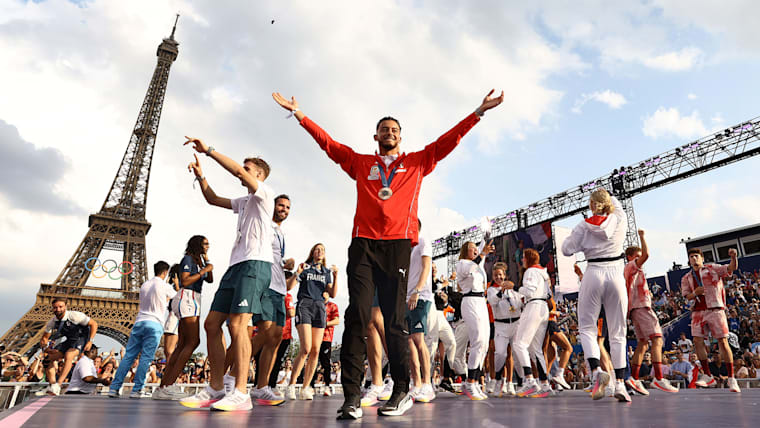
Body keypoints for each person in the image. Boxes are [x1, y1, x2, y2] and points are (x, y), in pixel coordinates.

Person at [272, 88, 504, 420]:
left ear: (400, 136)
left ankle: (400, 390)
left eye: (394, 130)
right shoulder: (362, 163)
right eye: (384, 129)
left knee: (396, 322)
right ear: (376, 136)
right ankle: (351, 396)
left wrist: (478, 112)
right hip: (363, 244)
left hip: (397, 246)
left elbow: (448, 141)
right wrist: (299, 115)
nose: (389, 133)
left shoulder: (417, 162)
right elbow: (330, 145)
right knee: (357, 317)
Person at [180, 138, 276, 411]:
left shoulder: (264, 194)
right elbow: (212, 199)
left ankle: (242, 393)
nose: (242, 171)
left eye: (247, 168)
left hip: (255, 265)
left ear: (257, 174)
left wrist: (208, 151)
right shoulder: (244, 201)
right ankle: (217, 386)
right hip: (235, 267)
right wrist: (201, 177)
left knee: (237, 326)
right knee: (212, 324)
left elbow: (236, 171)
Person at [561, 189, 630, 402]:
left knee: (587, 328)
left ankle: (595, 371)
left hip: (593, 273)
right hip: (616, 275)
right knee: (618, 332)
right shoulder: (619, 217)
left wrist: (582, 238)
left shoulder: (583, 226)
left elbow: (565, 250)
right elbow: (615, 204)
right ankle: (620, 384)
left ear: (591, 204)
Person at [154, 236, 213, 400]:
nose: (208, 246)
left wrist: (206, 263)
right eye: (205, 243)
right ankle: (169, 384)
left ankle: (164, 386)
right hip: (188, 297)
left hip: (192, 298)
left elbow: (210, 279)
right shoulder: (187, 259)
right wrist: (203, 271)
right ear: (197, 245)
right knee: (193, 341)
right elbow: (185, 280)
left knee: (182, 346)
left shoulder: (198, 260)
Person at [250, 194, 295, 406]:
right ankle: (232, 376)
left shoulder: (281, 233)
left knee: (275, 338)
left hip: (280, 289)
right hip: (266, 286)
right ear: (273, 206)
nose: (283, 209)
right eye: (280, 205)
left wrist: (286, 264)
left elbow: (275, 257)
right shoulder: (265, 226)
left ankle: (262, 386)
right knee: (264, 332)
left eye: (287, 207)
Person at [110, 261, 176, 398]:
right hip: (154, 324)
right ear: (165, 272)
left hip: (139, 322)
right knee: (146, 358)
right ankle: (137, 390)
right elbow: (177, 298)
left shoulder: (144, 285)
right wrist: (175, 283)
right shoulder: (165, 286)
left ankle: (114, 388)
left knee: (128, 356)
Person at [624, 230, 678, 394]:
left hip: (635, 309)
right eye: (637, 256)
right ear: (631, 257)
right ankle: (659, 379)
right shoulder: (631, 266)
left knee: (642, 344)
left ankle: (633, 378)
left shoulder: (633, 270)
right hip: (641, 307)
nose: (640, 259)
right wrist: (642, 237)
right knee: (657, 339)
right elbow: (646, 254)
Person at [680, 247, 740, 393]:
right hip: (697, 311)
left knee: (723, 341)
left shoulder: (712, 268)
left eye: (696, 256)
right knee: (697, 341)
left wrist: (733, 257)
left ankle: (731, 378)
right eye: (691, 257)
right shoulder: (686, 277)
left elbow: (731, 268)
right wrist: (695, 293)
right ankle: (707, 375)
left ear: (702, 258)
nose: (694, 259)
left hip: (715, 309)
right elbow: (686, 296)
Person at [286, 244, 338, 400]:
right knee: (306, 348)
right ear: (312, 252)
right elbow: (289, 286)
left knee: (316, 350)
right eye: (317, 249)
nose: (320, 251)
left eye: (322, 249)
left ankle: (305, 387)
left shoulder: (326, 272)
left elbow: (333, 294)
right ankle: (292, 385)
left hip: (319, 308)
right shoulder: (306, 268)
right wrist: (297, 273)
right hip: (305, 305)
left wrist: (336, 276)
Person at [456, 239, 495, 400]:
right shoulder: (462, 263)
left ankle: (472, 382)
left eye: (475, 249)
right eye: (471, 249)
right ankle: (471, 382)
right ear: (466, 251)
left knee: (484, 344)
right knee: (478, 339)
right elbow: (474, 263)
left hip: (481, 302)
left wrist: (486, 236)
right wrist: (483, 253)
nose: (475, 251)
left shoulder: (478, 264)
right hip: (470, 300)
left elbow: (482, 253)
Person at [36, 297, 98, 396]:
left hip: (81, 339)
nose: (58, 309)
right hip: (70, 341)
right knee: (47, 359)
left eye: (61, 307)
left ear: (66, 306)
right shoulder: (52, 322)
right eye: (55, 307)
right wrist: (45, 348)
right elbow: (44, 338)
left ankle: (59, 384)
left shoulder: (75, 316)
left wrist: (90, 341)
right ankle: (52, 385)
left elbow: (94, 324)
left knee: (69, 355)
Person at [513, 249, 552, 398]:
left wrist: (514, 287)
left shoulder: (530, 271)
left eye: (523, 257)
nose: (521, 260)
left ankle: (529, 380)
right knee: (536, 349)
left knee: (519, 344)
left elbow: (529, 291)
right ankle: (544, 384)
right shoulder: (543, 274)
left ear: (529, 259)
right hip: (543, 308)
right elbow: (548, 294)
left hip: (534, 305)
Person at [406, 220, 435, 403]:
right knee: (408, 340)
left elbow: (426, 268)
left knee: (418, 339)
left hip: (420, 296)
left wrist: (417, 290)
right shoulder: (406, 248)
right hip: (406, 298)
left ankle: (427, 384)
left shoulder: (423, 241)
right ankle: (416, 383)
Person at [487, 262, 521, 397]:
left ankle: (512, 382)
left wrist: (515, 290)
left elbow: (519, 303)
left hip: (515, 324)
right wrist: (501, 291)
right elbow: (493, 301)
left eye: (500, 275)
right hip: (500, 325)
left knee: (514, 354)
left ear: (505, 275)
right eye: (495, 275)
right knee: (499, 353)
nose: (498, 278)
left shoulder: (512, 288)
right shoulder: (491, 290)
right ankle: (497, 381)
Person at [313, 293, 340, 396]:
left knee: (326, 362)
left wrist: (323, 324)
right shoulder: (314, 305)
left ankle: (327, 385)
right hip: (314, 337)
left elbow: (337, 321)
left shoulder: (333, 306)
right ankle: (310, 385)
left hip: (326, 338)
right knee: (313, 361)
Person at [162, 264, 181, 363]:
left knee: (170, 351)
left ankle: (171, 374)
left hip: (175, 317)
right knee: (167, 351)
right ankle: (169, 372)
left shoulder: (182, 286)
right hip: (170, 316)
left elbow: (182, 298)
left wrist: (177, 286)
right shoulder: (172, 287)